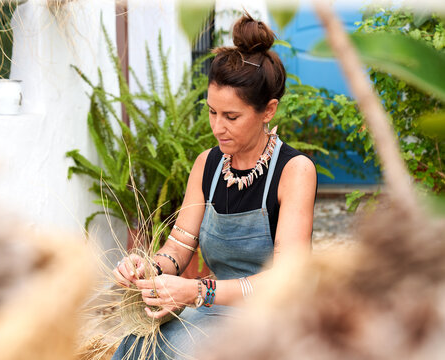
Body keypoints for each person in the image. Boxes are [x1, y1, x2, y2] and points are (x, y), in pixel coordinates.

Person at [112, 12, 317, 360]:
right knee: (135, 346)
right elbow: (177, 249)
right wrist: (149, 268)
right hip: (213, 311)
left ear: (269, 110)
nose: (217, 127)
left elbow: (286, 282)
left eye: (231, 117)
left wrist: (196, 292)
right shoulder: (207, 164)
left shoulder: (294, 171)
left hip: (274, 320)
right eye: (211, 112)